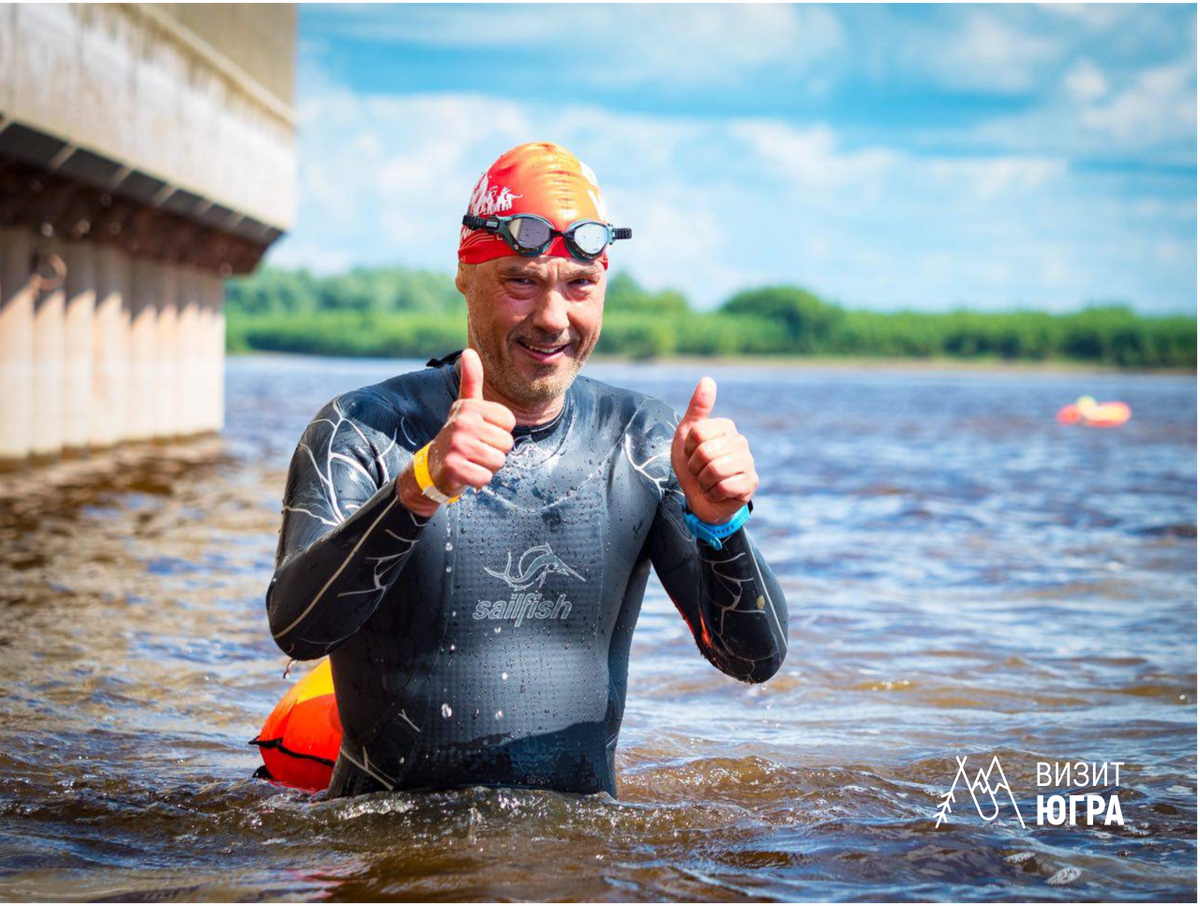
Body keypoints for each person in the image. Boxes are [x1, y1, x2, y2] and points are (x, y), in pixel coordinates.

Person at [265, 142, 788, 798]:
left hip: (579, 847)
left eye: (580, 285)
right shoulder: (363, 431)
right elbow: (297, 629)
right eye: (521, 281)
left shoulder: (642, 443)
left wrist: (722, 528)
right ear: (465, 272)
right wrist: (414, 492)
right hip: (391, 842)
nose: (552, 318)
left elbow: (754, 661)